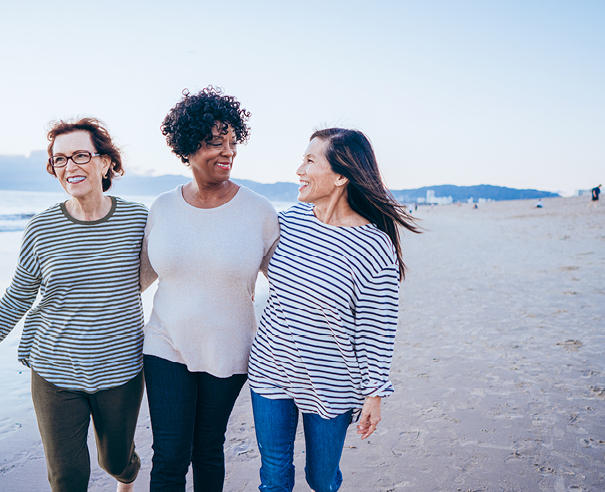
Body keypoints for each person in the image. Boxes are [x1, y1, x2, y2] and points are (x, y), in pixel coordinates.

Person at [0, 118, 147, 492]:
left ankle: (125, 478)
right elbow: (18, 295)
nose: (70, 167)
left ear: (107, 163)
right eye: (59, 160)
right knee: (67, 478)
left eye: (80, 155)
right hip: (54, 368)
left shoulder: (139, 219)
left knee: (116, 461)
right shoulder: (41, 228)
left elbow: (170, 268)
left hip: (120, 367)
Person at [248, 128, 420, 492]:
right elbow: (243, 263)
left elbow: (378, 326)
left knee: (321, 479)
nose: (299, 169)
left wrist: (374, 392)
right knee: (274, 477)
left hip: (331, 382)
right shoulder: (287, 222)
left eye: (310, 161)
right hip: (270, 370)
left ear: (340, 176)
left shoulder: (374, 245)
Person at [139, 86, 279, 491]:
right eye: (215, 143)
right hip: (165, 343)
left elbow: (288, 286)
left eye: (232, 142)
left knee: (207, 448)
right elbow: (138, 279)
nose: (228, 152)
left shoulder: (258, 211)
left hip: (229, 348)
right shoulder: (162, 208)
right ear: (187, 148)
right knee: (168, 454)